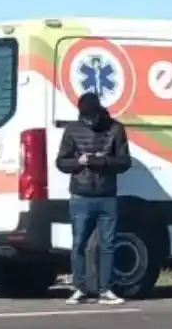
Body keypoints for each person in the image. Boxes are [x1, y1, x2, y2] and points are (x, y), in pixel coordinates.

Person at [55, 92, 131, 305]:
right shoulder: (72, 129)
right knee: (79, 243)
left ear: (99, 111)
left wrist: (103, 162)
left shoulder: (116, 129)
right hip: (81, 195)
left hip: (107, 195)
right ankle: (79, 288)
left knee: (107, 244)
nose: (89, 122)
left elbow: (125, 162)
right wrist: (78, 162)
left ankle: (106, 289)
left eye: (92, 118)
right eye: (85, 118)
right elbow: (61, 162)